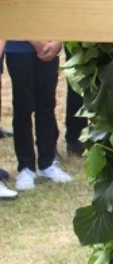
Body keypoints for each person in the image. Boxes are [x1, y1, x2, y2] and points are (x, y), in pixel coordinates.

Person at [4, 39, 72, 192]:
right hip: (19, 48)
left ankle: (47, 162)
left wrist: (58, 41)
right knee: (23, 108)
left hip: (50, 47)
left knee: (47, 105)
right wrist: (35, 41)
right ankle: (25, 167)